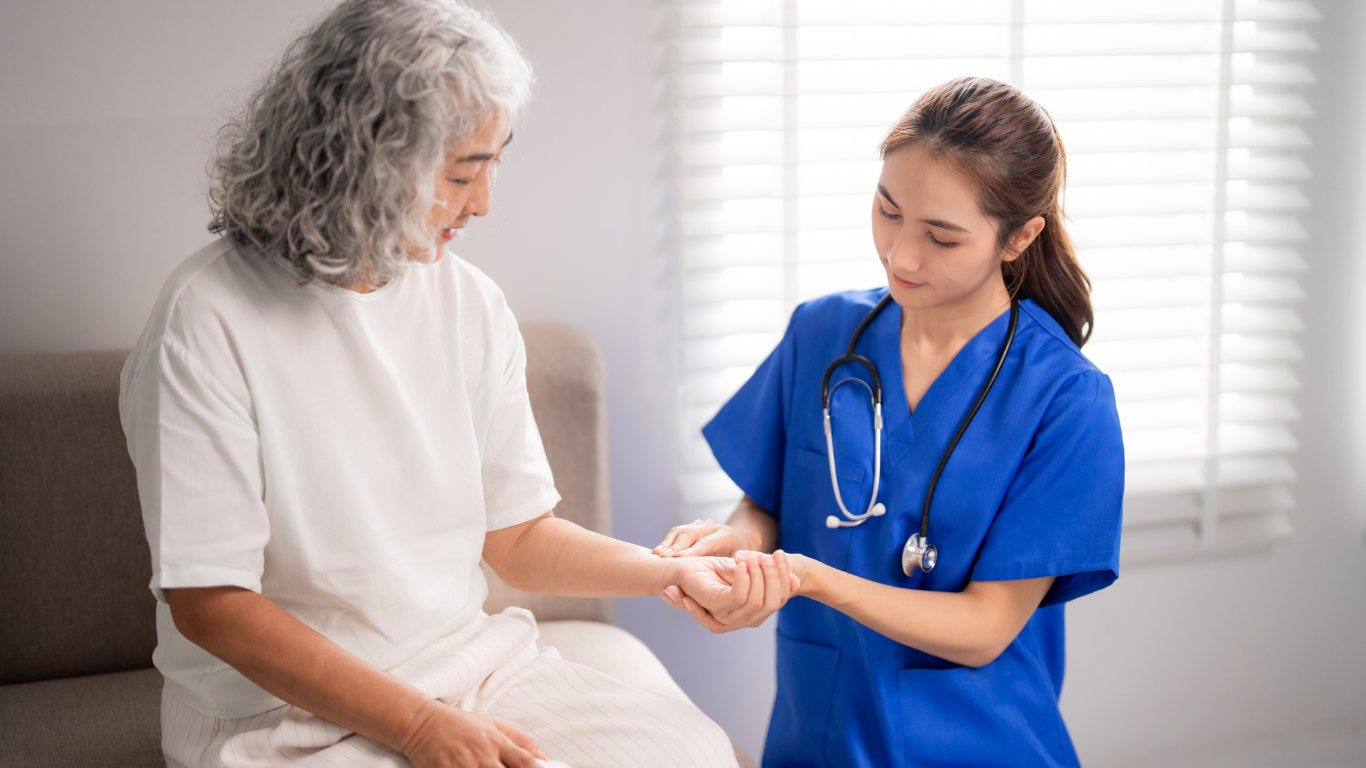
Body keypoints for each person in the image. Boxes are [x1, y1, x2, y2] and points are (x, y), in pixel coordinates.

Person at [119, 2, 794, 766]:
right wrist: (415, 727)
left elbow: (516, 537)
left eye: (494, 163)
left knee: (695, 752)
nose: (483, 203)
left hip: (472, 668)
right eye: (464, 172)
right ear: (368, 161)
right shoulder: (207, 320)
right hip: (279, 711)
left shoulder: (468, 302)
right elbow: (214, 607)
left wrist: (671, 570)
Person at [654, 77, 1125, 768]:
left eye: (941, 236)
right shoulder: (822, 333)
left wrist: (808, 579)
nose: (902, 255)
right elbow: (774, 497)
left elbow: (986, 627)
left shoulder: (1066, 399)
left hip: (976, 747)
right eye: (888, 210)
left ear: (1019, 237)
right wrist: (740, 543)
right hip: (813, 738)